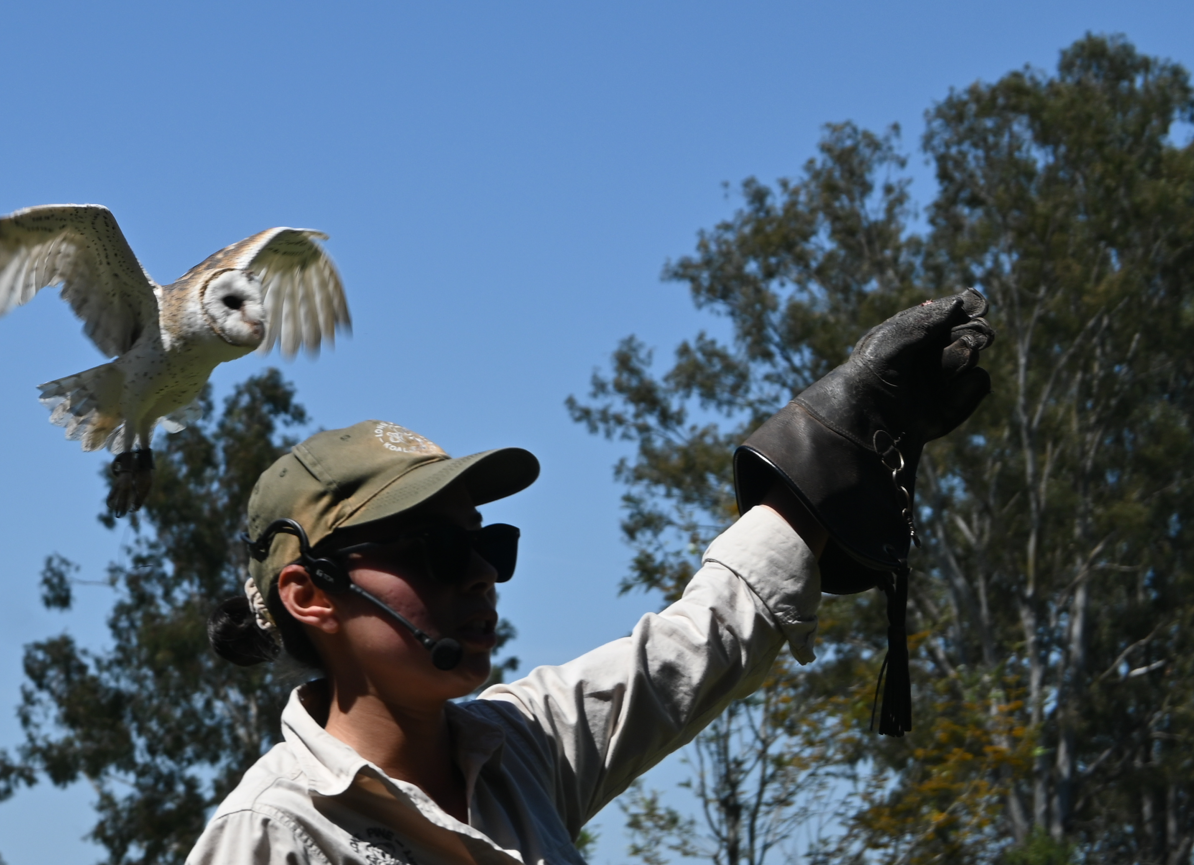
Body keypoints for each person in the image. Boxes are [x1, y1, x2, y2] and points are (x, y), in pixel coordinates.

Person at [191, 291, 995, 864]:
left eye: (489, 545)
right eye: (433, 552)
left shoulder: (521, 748)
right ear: (308, 594)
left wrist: (839, 438)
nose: (479, 576)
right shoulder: (270, 832)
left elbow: (695, 643)